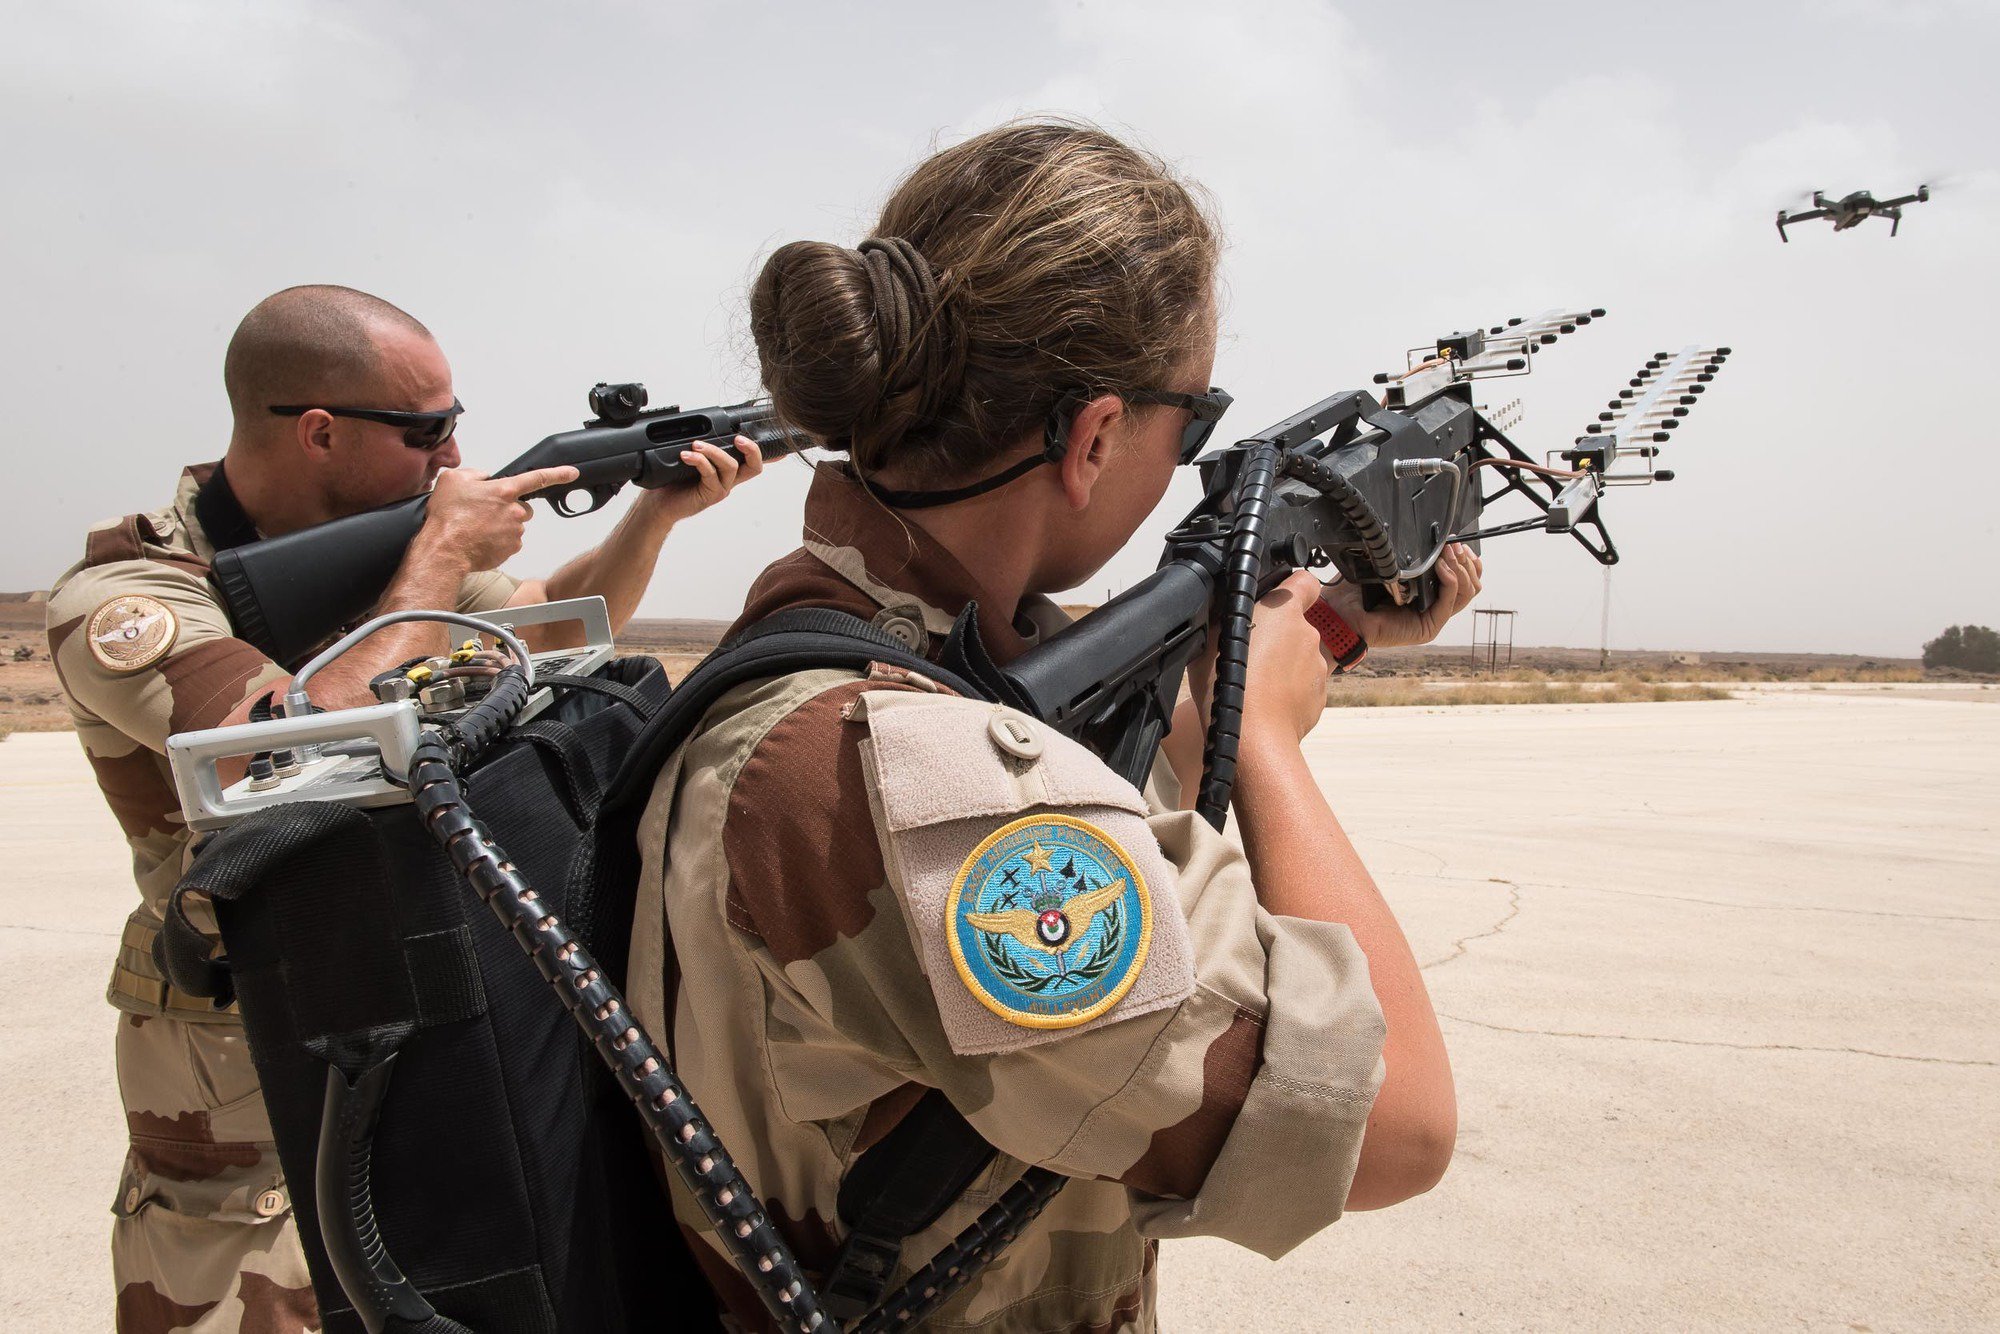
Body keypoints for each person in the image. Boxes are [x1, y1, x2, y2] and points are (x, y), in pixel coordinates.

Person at [629, 120, 1480, 1332]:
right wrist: (1265, 748)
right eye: (1190, 420)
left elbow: (1075, 726)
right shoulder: (904, 772)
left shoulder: (835, 649)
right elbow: (1393, 1124)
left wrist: (1318, 634)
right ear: (1089, 439)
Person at [44, 284, 763, 1332]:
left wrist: (655, 511)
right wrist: (436, 554)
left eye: (455, 423)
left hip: (416, 991)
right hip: (236, 1044)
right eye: (426, 432)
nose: (453, 460)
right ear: (320, 431)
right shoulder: (133, 593)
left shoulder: (382, 559)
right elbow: (274, 758)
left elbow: (549, 633)